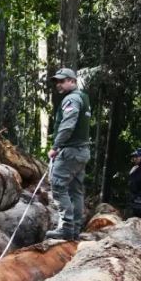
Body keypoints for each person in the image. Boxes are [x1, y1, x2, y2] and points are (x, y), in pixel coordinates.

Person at [46, 68, 92, 240]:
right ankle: (75, 229)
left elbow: (68, 125)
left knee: (58, 185)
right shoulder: (83, 98)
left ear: (72, 81)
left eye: (62, 81)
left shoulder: (72, 99)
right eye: (57, 81)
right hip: (82, 151)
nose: (59, 84)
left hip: (71, 151)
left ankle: (66, 228)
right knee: (75, 190)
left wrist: (56, 147)